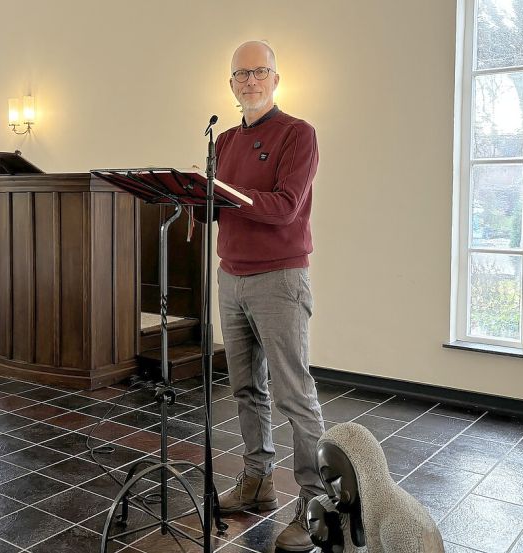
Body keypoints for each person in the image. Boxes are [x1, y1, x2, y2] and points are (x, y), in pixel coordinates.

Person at [213, 40, 323, 552]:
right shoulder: (226, 140)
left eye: (259, 72)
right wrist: (195, 195)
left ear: (276, 78)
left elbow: (284, 206)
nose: (249, 81)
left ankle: (314, 500)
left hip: (279, 278)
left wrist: (226, 196)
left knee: (293, 395)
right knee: (244, 389)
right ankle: (256, 481)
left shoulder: (298, 134)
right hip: (230, 276)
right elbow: (217, 207)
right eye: (241, 74)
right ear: (231, 84)